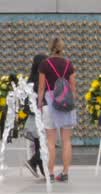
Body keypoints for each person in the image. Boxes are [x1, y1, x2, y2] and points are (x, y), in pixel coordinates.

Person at [35, 38, 75, 182]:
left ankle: (50, 173)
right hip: (66, 104)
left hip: (49, 103)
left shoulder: (45, 64)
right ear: (62, 48)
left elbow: (41, 87)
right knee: (66, 141)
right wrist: (71, 102)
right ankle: (65, 173)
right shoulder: (69, 64)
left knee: (50, 142)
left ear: (50, 48)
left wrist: (39, 104)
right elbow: (73, 87)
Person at [24, 52, 47, 179]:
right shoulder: (41, 78)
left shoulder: (31, 78)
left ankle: (42, 170)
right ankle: (33, 161)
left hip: (34, 115)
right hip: (42, 113)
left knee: (40, 143)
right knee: (49, 142)